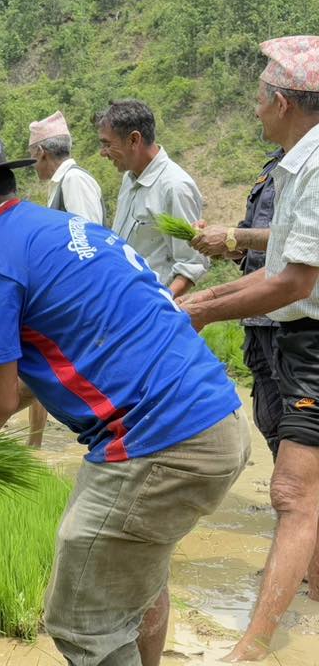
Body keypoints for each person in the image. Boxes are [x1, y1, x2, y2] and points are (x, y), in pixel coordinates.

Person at [0, 116, 248, 666]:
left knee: (82, 619)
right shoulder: (66, 230)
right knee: (133, 582)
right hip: (218, 420)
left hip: (157, 444)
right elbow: (29, 381)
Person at [179, 36, 319, 662]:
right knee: (306, 493)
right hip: (293, 337)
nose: (254, 108)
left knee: (292, 493)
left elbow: (293, 282)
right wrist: (201, 303)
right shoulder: (295, 165)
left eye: (260, 97)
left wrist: (201, 308)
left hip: (313, 341)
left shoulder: (315, 166)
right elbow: (277, 266)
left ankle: (255, 646)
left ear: (283, 102)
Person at [190, 149, 284, 459]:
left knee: (301, 429)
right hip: (257, 317)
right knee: (273, 422)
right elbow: (255, 248)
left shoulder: (309, 163)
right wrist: (228, 246)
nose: (259, 118)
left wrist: (235, 237)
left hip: (289, 319)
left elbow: (302, 240)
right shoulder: (272, 165)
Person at [26, 110, 106, 447]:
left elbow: (87, 242)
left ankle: (101, 437)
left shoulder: (75, 182)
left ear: (43, 152)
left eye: (33, 156)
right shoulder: (62, 183)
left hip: (81, 298)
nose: (34, 165)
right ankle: (35, 443)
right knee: (43, 365)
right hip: (66, 296)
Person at [96, 99, 207, 298]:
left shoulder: (175, 187)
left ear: (133, 140)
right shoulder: (129, 178)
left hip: (146, 304)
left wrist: (159, 303)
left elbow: (191, 263)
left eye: (107, 144)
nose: (102, 153)